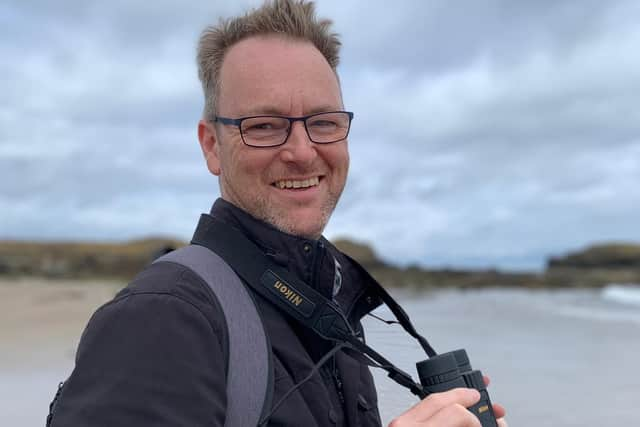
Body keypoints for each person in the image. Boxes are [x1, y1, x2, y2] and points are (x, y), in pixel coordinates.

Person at [47, 1, 507, 426]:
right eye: (265, 126)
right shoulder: (162, 319)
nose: (303, 152)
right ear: (212, 145)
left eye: (323, 122)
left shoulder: (328, 306)